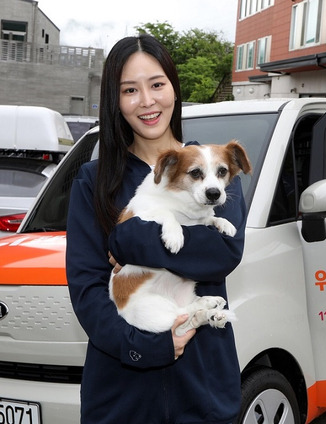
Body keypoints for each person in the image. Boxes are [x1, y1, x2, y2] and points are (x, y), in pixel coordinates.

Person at [66, 34, 245, 424]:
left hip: (205, 387)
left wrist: (127, 239)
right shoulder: (94, 181)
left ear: (174, 91)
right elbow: (86, 288)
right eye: (130, 89)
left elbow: (222, 254)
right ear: (115, 101)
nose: (147, 101)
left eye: (157, 84)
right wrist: (144, 346)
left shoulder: (215, 173)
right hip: (120, 392)